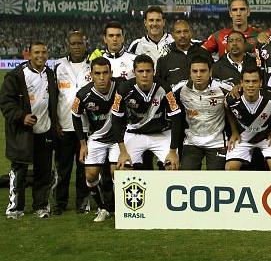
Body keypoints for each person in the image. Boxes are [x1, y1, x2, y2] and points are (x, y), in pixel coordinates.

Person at [1, 42, 58, 219]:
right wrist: (21, 116)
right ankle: (15, 208)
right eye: (36, 52)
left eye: (44, 52)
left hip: (45, 130)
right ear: (29, 55)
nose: (40, 55)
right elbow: (5, 102)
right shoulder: (17, 76)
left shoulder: (50, 74)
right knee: (19, 170)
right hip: (22, 132)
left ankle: (41, 206)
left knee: (43, 171)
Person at [112, 55, 182, 170]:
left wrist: (173, 151)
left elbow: (176, 118)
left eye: (148, 71)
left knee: (172, 166)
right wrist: (123, 151)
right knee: (124, 167)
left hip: (161, 133)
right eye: (140, 71)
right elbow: (116, 120)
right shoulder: (123, 89)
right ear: (134, 72)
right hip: (135, 132)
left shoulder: (164, 88)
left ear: (153, 71)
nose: (144, 75)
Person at [73, 57, 119, 222]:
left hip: (118, 139)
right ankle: (102, 207)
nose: (102, 77)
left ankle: (120, 208)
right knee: (91, 176)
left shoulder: (120, 87)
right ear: (91, 75)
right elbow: (75, 115)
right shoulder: (83, 94)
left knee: (118, 173)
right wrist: (82, 144)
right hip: (97, 139)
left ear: (111, 73)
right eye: (97, 73)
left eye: (105, 73)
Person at [52, 30, 92, 214]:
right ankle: (60, 203)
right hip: (64, 126)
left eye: (79, 43)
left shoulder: (93, 64)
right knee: (63, 168)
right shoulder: (58, 66)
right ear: (68, 45)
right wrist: (55, 122)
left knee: (84, 167)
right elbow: (52, 97)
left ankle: (82, 202)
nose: (76, 46)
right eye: (73, 43)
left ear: (85, 44)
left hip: (86, 127)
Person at [172, 55, 233, 170]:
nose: (199, 75)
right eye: (195, 71)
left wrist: (234, 133)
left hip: (217, 141)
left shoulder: (223, 88)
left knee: (215, 179)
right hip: (192, 140)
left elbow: (242, 93)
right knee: (187, 177)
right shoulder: (180, 89)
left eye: (203, 71)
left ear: (210, 72)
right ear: (189, 73)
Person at [225, 65, 271, 171]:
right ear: (241, 83)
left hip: (266, 138)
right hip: (243, 138)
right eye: (247, 81)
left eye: (254, 81)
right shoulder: (232, 99)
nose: (251, 85)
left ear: (260, 83)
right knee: (230, 168)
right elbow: (227, 108)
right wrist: (234, 131)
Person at [203, 0, 268, 58]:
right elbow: (199, 53)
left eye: (242, 9)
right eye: (234, 10)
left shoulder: (260, 35)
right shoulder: (219, 35)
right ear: (230, 13)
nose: (238, 13)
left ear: (248, 12)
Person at [156, 20, 212, 89]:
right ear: (173, 35)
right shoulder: (164, 59)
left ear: (191, 33)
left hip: (202, 98)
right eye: (178, 32)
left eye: (185, 31)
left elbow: (213, 79)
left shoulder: (204, 53)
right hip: (176, 99)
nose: (182, 35)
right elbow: (160, 86)